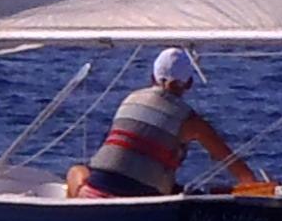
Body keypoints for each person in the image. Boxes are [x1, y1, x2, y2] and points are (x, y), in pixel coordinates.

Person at [65, 47, 265, 198]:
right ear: (188, 83)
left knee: (77, 171)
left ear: (152, 77)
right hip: (140, 203)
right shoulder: (191, 121)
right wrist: (255, 186)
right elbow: (232, 163)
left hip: (93, 193)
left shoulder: (131, 98)